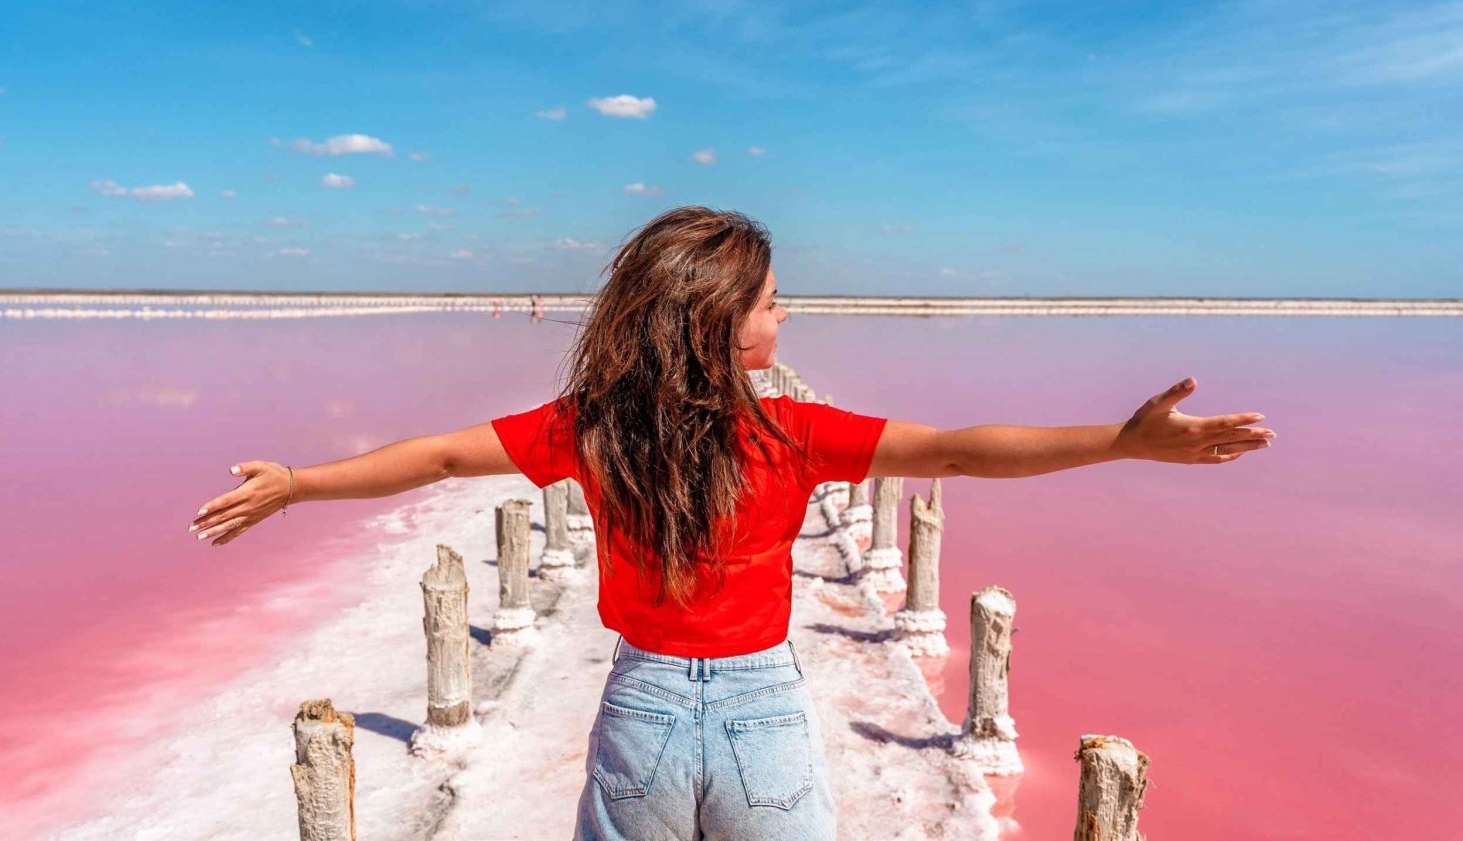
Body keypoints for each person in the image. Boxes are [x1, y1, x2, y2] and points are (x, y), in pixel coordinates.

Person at [188, 205, 1274, 840]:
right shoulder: (795, 431)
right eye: (768, 301)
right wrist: (1121, 439)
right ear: (722, 322)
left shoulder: (592, 425)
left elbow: (432, 457)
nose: (783, 313)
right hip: (762, 709)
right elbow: (957, 446)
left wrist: (297, 478)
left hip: (641, 709)